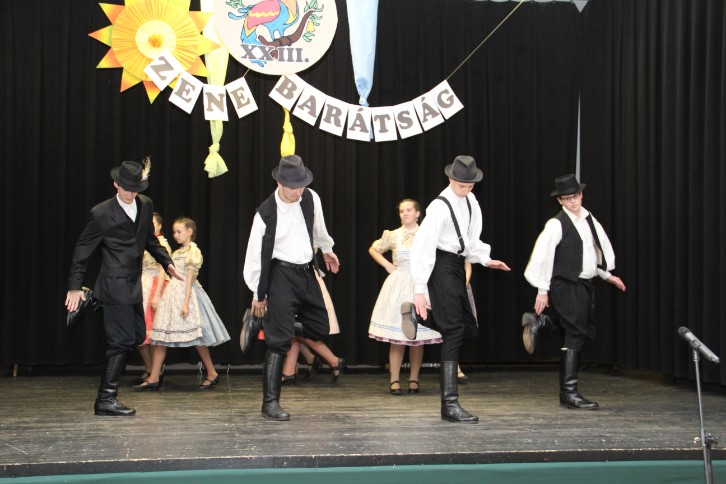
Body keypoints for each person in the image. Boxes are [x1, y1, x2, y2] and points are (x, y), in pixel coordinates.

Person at [65, 159, 182, 416]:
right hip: (114, 284)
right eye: (126, 189)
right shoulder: (101, 213)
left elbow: (150, 240)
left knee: (137, 336)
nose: (130, 194)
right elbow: (82, 251)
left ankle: (93, 299)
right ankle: (105, 399)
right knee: (119, 342)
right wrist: (74, 286)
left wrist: (167, 263)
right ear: (116, 184)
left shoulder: (145, 204)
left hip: (133, 285)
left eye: (135, 189)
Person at [403, 155, 511, 423]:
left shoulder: (472, 201)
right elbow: (422, 248)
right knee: (453, 331)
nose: (466, 189)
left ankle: (420, 317)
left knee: (469, 329)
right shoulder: (439, 207)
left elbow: (472, 240)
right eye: (462, 185)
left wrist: (485, 259)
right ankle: (449, 404)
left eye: (470, 185)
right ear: (451, 179)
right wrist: (419, 290)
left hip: (457, 265)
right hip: (440, 264)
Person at [243, 154, 340, 421]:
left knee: (320, 327)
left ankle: (273, 323)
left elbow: (318, 229)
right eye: (293, 187)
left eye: (302, 185)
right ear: (280, 183)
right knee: (279, 342)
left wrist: (327, 250)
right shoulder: (265, 213)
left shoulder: (310, 197)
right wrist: (258, 293)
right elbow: (254, 256)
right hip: (280, 274)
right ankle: (270, 403)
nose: (298, 191)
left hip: (306, 272)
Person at [522, 174, 626, 409]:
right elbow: (543, 256)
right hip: (565, 284)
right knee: (576, 333)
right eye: (567, 198)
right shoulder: (557, 224)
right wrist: (542, 290)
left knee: (578, 330)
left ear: (581, 195)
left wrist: (607, 275)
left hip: (583, 284)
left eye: (575, 196)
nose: (573, 202)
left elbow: (593, 252)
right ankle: (569, 393)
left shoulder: (589, 219)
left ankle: (542, 323)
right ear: (560, 200)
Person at [135, 217, 230, 391]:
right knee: (160, 336)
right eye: (174, 232)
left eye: (179, 232)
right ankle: (154, 377)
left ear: (189, 232)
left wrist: (185, 302)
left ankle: (212, 372)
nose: (176, 235)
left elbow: (189, 280)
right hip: (172, 295)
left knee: (197, 337)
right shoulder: (177, 252)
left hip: (187, 295)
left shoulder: (193, 252)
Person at [368, 199, 443, 395]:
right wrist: (387, 265)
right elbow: (374, 249)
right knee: (397, 337)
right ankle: (394, 379)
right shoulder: (394, 235)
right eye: (402, 211)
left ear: (418, 213)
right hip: (399, 286)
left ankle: (414, 379)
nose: (405, 213)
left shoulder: (427, 234)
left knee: (417, 336)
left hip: (421, 285)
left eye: (409, 210)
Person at [281, 269, 343, 385]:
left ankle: (332, 360)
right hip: (289, 276)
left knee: (294, 326)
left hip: (301, 277)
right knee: (290, 326)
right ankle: (290, 371)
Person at [135, 212, 172, 384]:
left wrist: (157, 295)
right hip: (142, 285)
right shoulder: (142, 241)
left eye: (153, 224)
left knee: (153, 332)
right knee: (139, 332)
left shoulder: (161, 243)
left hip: (156, 285)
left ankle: (155, 372)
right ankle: (150, 368)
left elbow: (163, 268)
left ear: (159, 226)